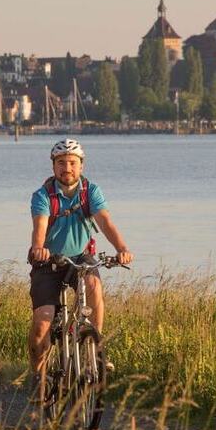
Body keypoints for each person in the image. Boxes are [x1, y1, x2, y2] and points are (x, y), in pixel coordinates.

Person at [27, 138, 133, 390]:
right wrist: (39, 248)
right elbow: (39, 226)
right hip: (49, 260)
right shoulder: (43, 195)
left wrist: (122, 249)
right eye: (61, 163)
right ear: (53, 167)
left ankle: (93, 347)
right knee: (43, 320)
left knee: (94, 285)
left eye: (72, 163)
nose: (67, 168)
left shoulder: (90, 192)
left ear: (81, 166)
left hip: (81, 257)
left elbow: (105, 221)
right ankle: (38, 375)